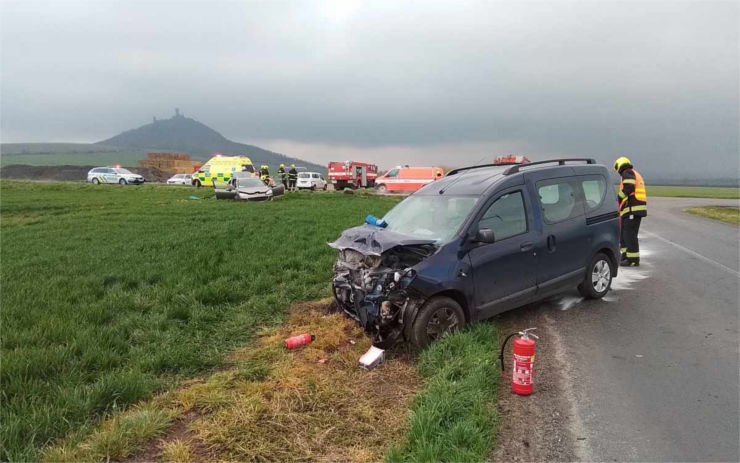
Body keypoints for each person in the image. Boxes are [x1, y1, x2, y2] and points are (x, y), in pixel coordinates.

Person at [614, 156, 647, 267]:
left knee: (630, 235)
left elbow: (629, 188)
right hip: (631, 210)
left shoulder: (627, 172)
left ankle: (633, 260)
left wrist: (618, 198)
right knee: (624, 234)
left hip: (633, 210)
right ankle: (626, 256)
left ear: (619, 166)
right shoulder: (633, 173)